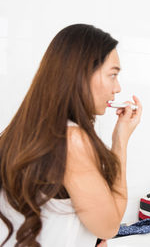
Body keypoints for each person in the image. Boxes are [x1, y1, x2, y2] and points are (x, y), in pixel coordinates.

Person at [0, 24, 142, 246]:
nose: (117, 88)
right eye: (112, 75)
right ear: (82, 74)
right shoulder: (72, 140)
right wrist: (120, 141)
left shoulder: (15, 134)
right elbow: (109, 226)